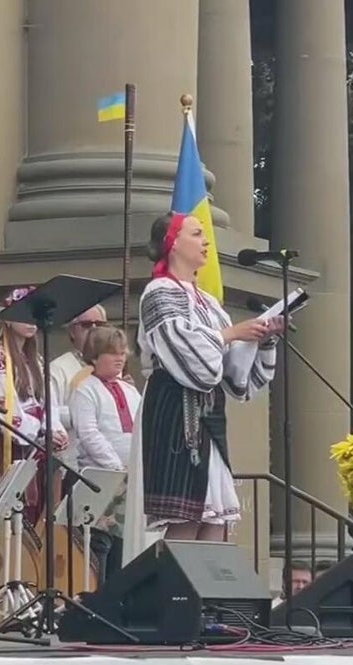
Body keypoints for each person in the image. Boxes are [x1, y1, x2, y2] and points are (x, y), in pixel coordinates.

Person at [121, 212, 283, 559]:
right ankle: (175, 589)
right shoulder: (158, 293)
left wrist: (261, 338)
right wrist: (233, 333)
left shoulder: (208, 302)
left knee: (214, 516)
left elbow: (229, 370)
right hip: (174, 405)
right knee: (187, 514)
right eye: (196, 234)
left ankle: (207, 590)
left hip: (207, 412)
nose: (206, 241)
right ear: (172, 243)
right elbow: (186, 352)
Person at [0, 288, 69, 523]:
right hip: (13, 445)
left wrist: (54, 430)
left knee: (36, 514)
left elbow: (49, 402)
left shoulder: (36, 360)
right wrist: (37, 432)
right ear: (8, 320)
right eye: (23, 315)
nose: (31, 321)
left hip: (36, 446)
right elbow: (2, 405)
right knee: (13, 515)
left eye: (34, 316)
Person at [68, 326, 140, 581]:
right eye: (112, 353)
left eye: (122, 352)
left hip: (130, 478)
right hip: (101, 477)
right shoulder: (85, 389)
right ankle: (96, 595)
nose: (120, 358)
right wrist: (115, 465)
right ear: (95, 356)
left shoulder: (130, 390)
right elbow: (88, 433)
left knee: (124, 545)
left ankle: (117, 597)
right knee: (99, 545)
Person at [49, 305, 108, 467]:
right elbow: (49, 414)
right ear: (72, 332)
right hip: (73, 462)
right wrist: (85, 412)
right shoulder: (58, 369)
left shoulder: (114, 367)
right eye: (86, 325)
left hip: (112, 458)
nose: (94, 329)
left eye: (100, 324)